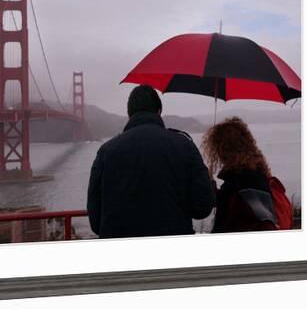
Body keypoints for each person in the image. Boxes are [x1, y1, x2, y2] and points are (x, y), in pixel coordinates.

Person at [86, 84, 215, 238]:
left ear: (130, 114)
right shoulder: (184, 145)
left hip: (119, 254)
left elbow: (95, 221)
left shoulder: (106, 151)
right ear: (159, 111)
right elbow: (202, 207)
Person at [202, 116, 289, 233]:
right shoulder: (255, 172)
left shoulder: (239, 179)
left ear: (225, 149)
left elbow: (232, 214)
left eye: (218, 148)